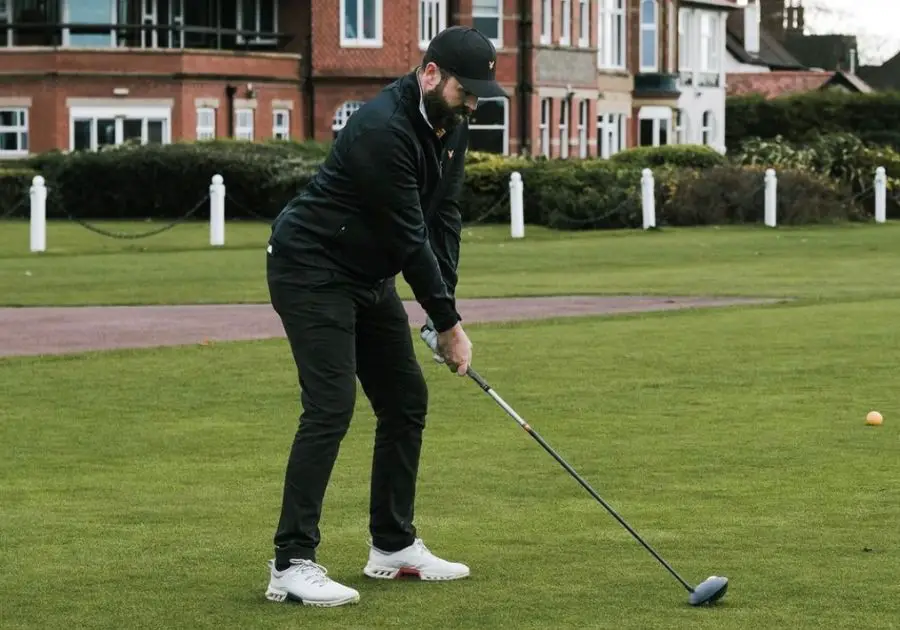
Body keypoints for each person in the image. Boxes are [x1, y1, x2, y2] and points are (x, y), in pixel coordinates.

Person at [262, 26, 508, 607]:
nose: (472, 103)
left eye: (479, 94)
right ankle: (290, 564)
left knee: (405, 400)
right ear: (429, 74)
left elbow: (442, 216)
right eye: (464, 91)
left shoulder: (452, 125)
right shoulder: (380, 129)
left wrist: (443, 303)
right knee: (330, 407)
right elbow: (408, 237)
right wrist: (448, 325)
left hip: (366, 274)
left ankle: (392, 547)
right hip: (311, 268)